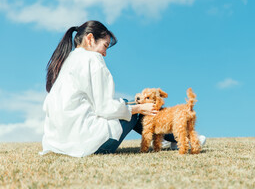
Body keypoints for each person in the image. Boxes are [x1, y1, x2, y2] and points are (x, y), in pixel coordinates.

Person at [40, 20, 205, 157]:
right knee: (136, 108)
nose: (105, 53)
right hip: (86, 145)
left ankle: (172, 138)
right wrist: (138, 107)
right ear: (90, 39)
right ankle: (180, 138)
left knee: (129, 105)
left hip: (58, 144)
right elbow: (105, 108)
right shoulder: (93, 58)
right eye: (105, 46)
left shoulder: (67, 61)